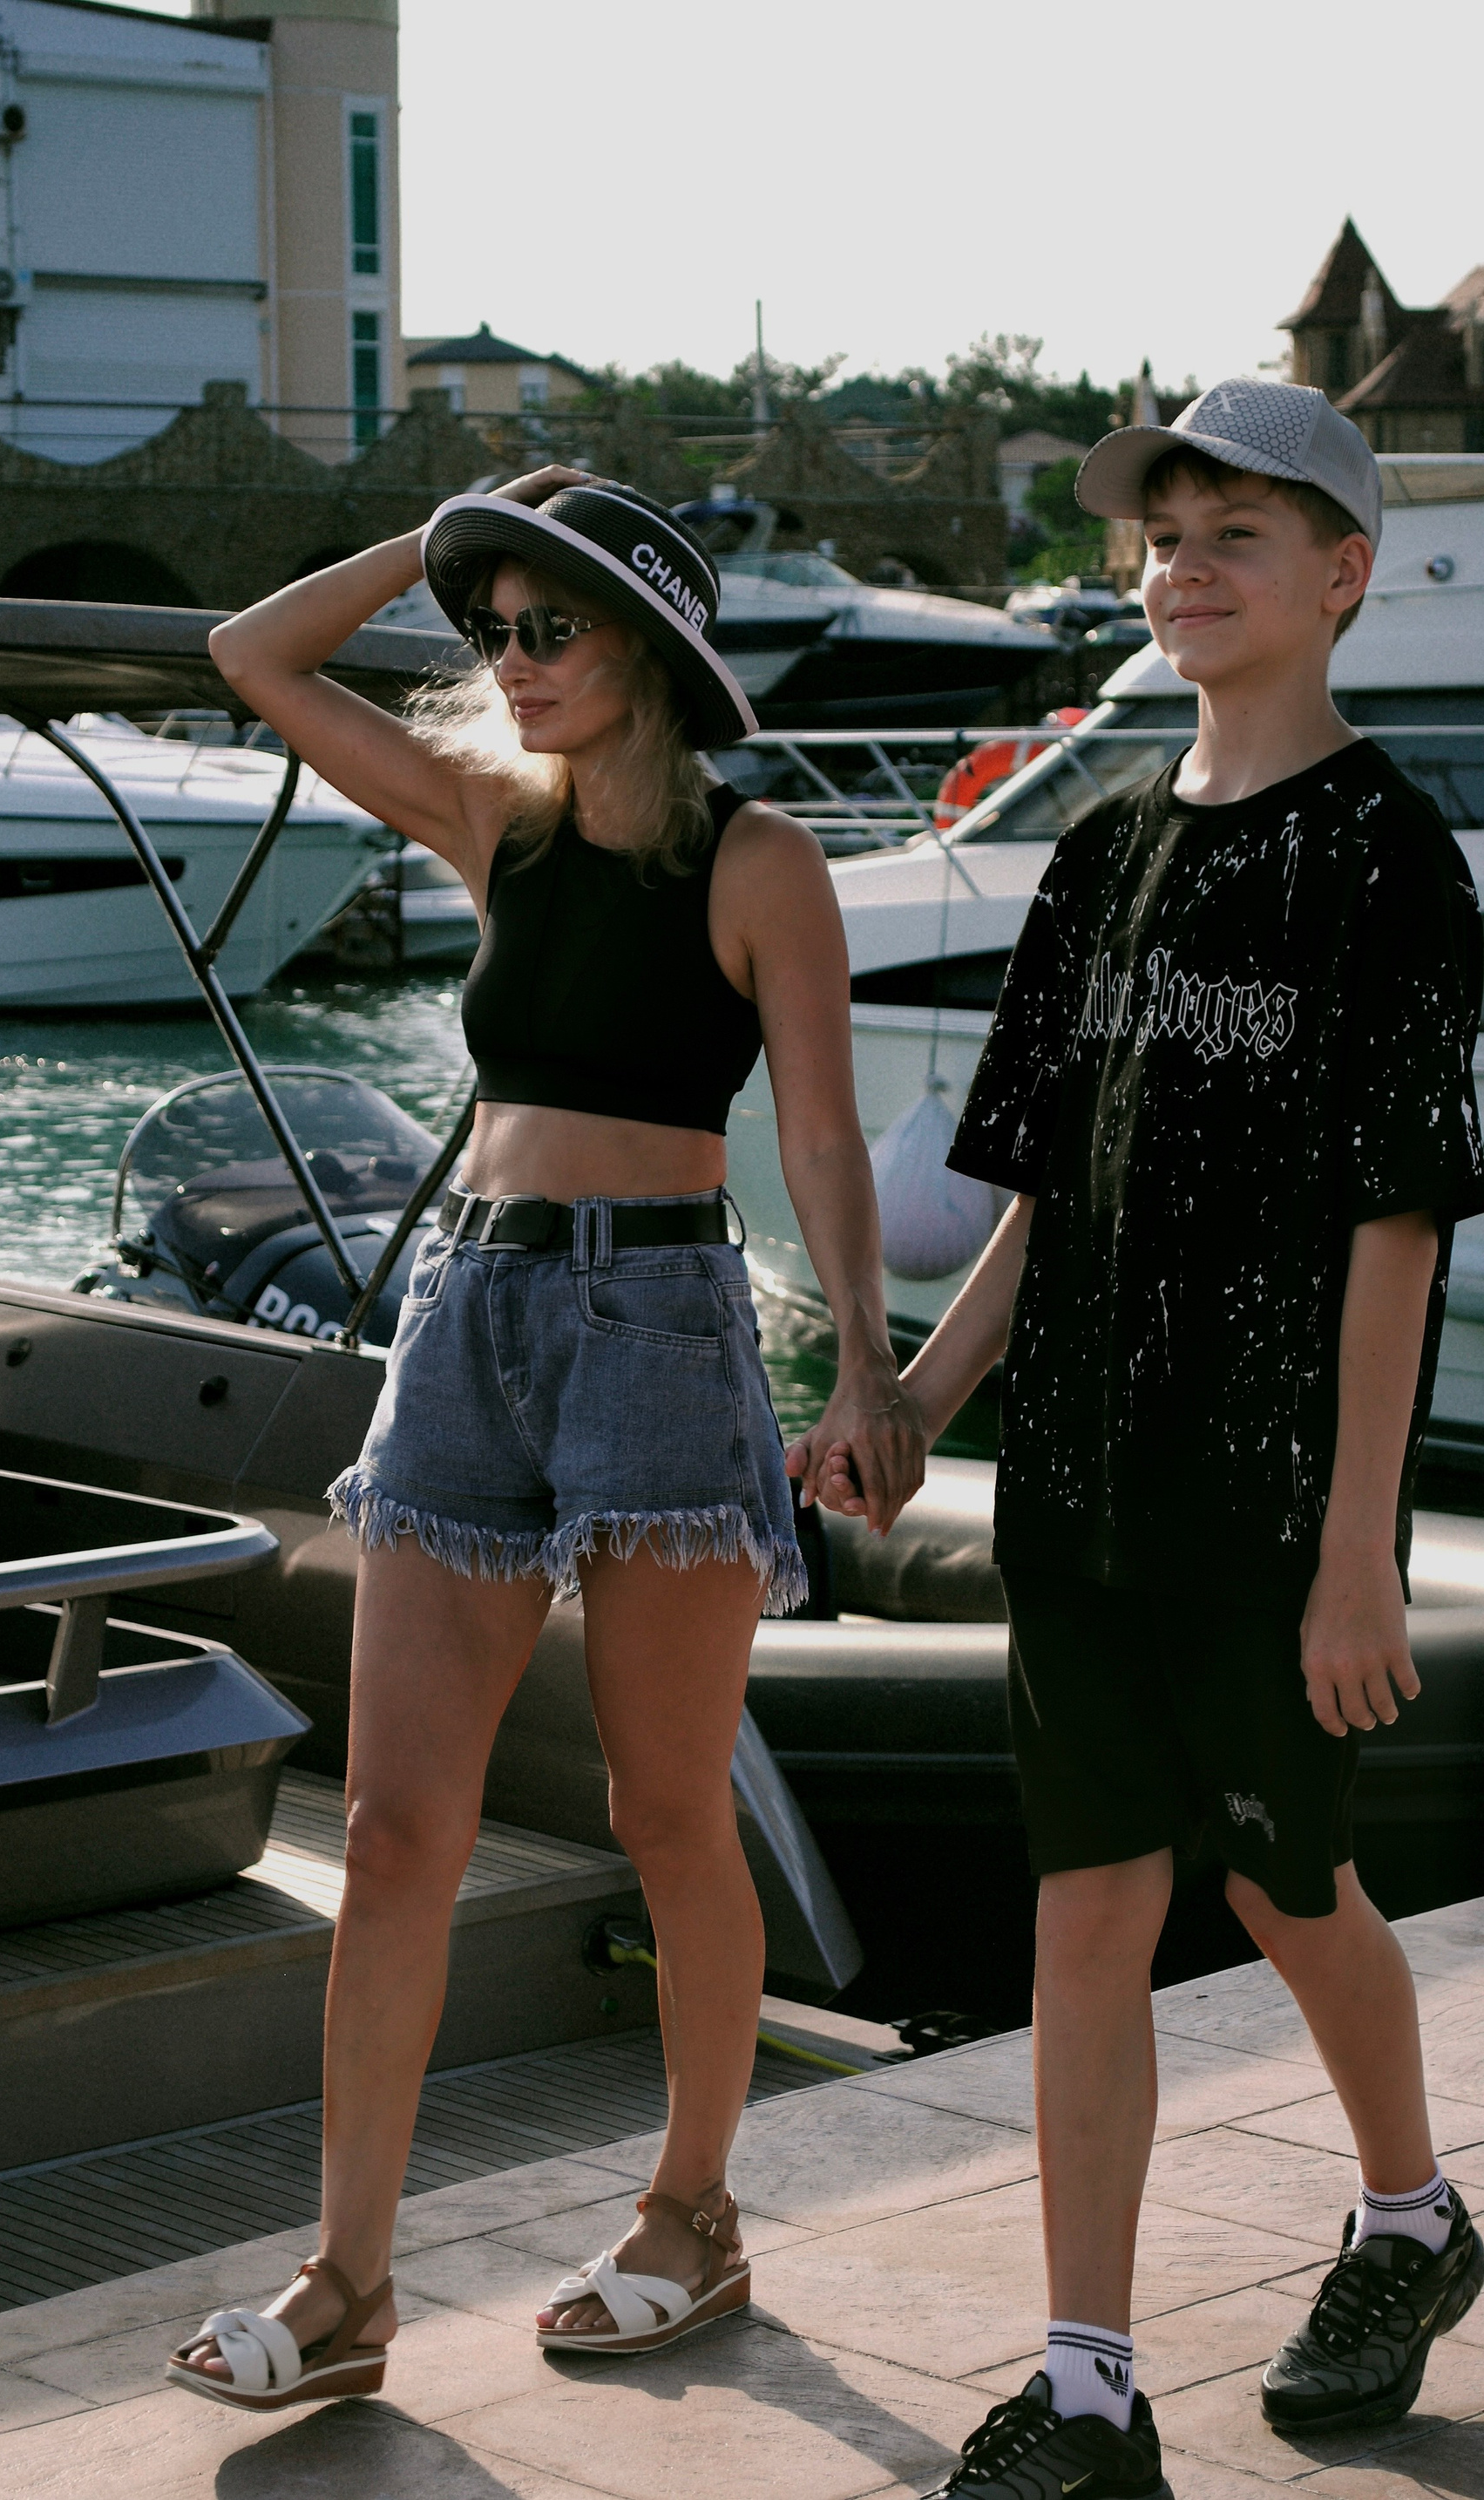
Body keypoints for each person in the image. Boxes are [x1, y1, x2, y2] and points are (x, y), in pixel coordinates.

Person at [162, 470, 925, 2410]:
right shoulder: (494, 820)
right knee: (397, 1825)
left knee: (668, 1813)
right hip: (467, 1320)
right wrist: (442, 534)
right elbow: (253, 657)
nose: (507, 659)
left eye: (548, 625)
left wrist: (865, 1370)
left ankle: (693, 2211)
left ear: (648, 648)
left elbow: (820, 1136)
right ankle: (348, 2282)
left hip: (660, 1325)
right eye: (488, 628)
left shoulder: (759, 861)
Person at [810, 380, 1484, 2499]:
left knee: (1289, 1888)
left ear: (1342, 577)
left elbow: (1397, 1224)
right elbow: (1047, 1186)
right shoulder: (1101, 848)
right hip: (1079, 1490)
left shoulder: (1386, 856)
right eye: (1164, 536)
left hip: (1266, 1501)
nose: (1184, 568)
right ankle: (1091, 2386)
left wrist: (1359, 1548)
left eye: (1235, 537)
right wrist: (925, 1393)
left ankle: (1411, 2218)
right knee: (1085, 1917)